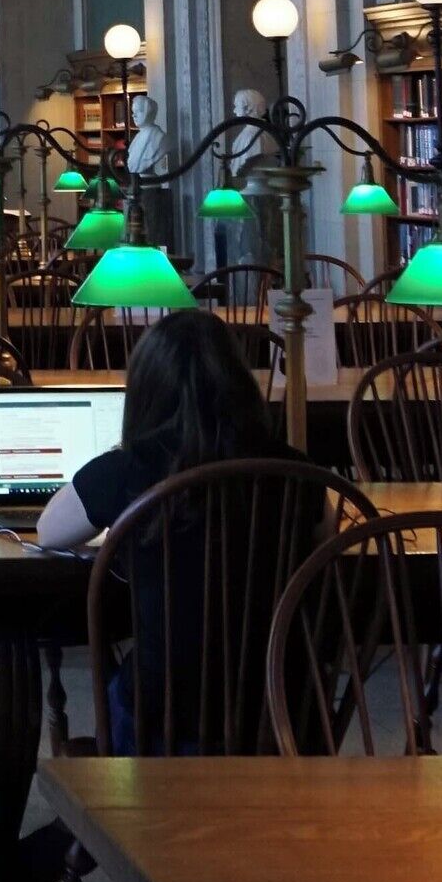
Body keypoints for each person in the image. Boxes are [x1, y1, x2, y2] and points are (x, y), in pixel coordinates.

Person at [34, 308, 280, 752]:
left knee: (126, 679)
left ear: (145, 390)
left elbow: (48, 530)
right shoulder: (293, 469)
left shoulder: (128, 469)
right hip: (278, 709)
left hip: (166, 715)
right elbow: (323, 537)